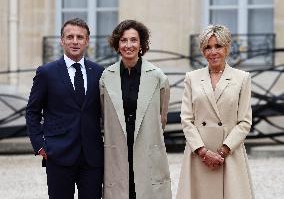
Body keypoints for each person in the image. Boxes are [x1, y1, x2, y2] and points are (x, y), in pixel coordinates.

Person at [25, 18, 104, 199]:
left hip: (92, 157)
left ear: (87, 41)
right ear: (62, 40)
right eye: (70, 37)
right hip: (58, 154)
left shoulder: (99, 72)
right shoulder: (46, 72)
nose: (74, 41)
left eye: (79, 37)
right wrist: (39, 145)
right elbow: (32, 111)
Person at [176, 24, 254, 199]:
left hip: (229, 154)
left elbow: (244, 121)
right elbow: (187, 119)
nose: (213, 52)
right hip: (199, 155)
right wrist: (203, 152)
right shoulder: (192, 78)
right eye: (207, 47)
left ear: (227, 48)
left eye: (218, 46)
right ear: (202, 52)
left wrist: (222, 151)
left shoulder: (242, 78)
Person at [100, 20, 172, 199]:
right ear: (117, 44)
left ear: (141, 44)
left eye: (133, 40)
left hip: (147, 148)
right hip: (117, 148)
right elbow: (104, 115)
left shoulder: (157, 76)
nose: (128, 45)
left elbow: (162, 118)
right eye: (123, 40)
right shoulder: (106, 77)